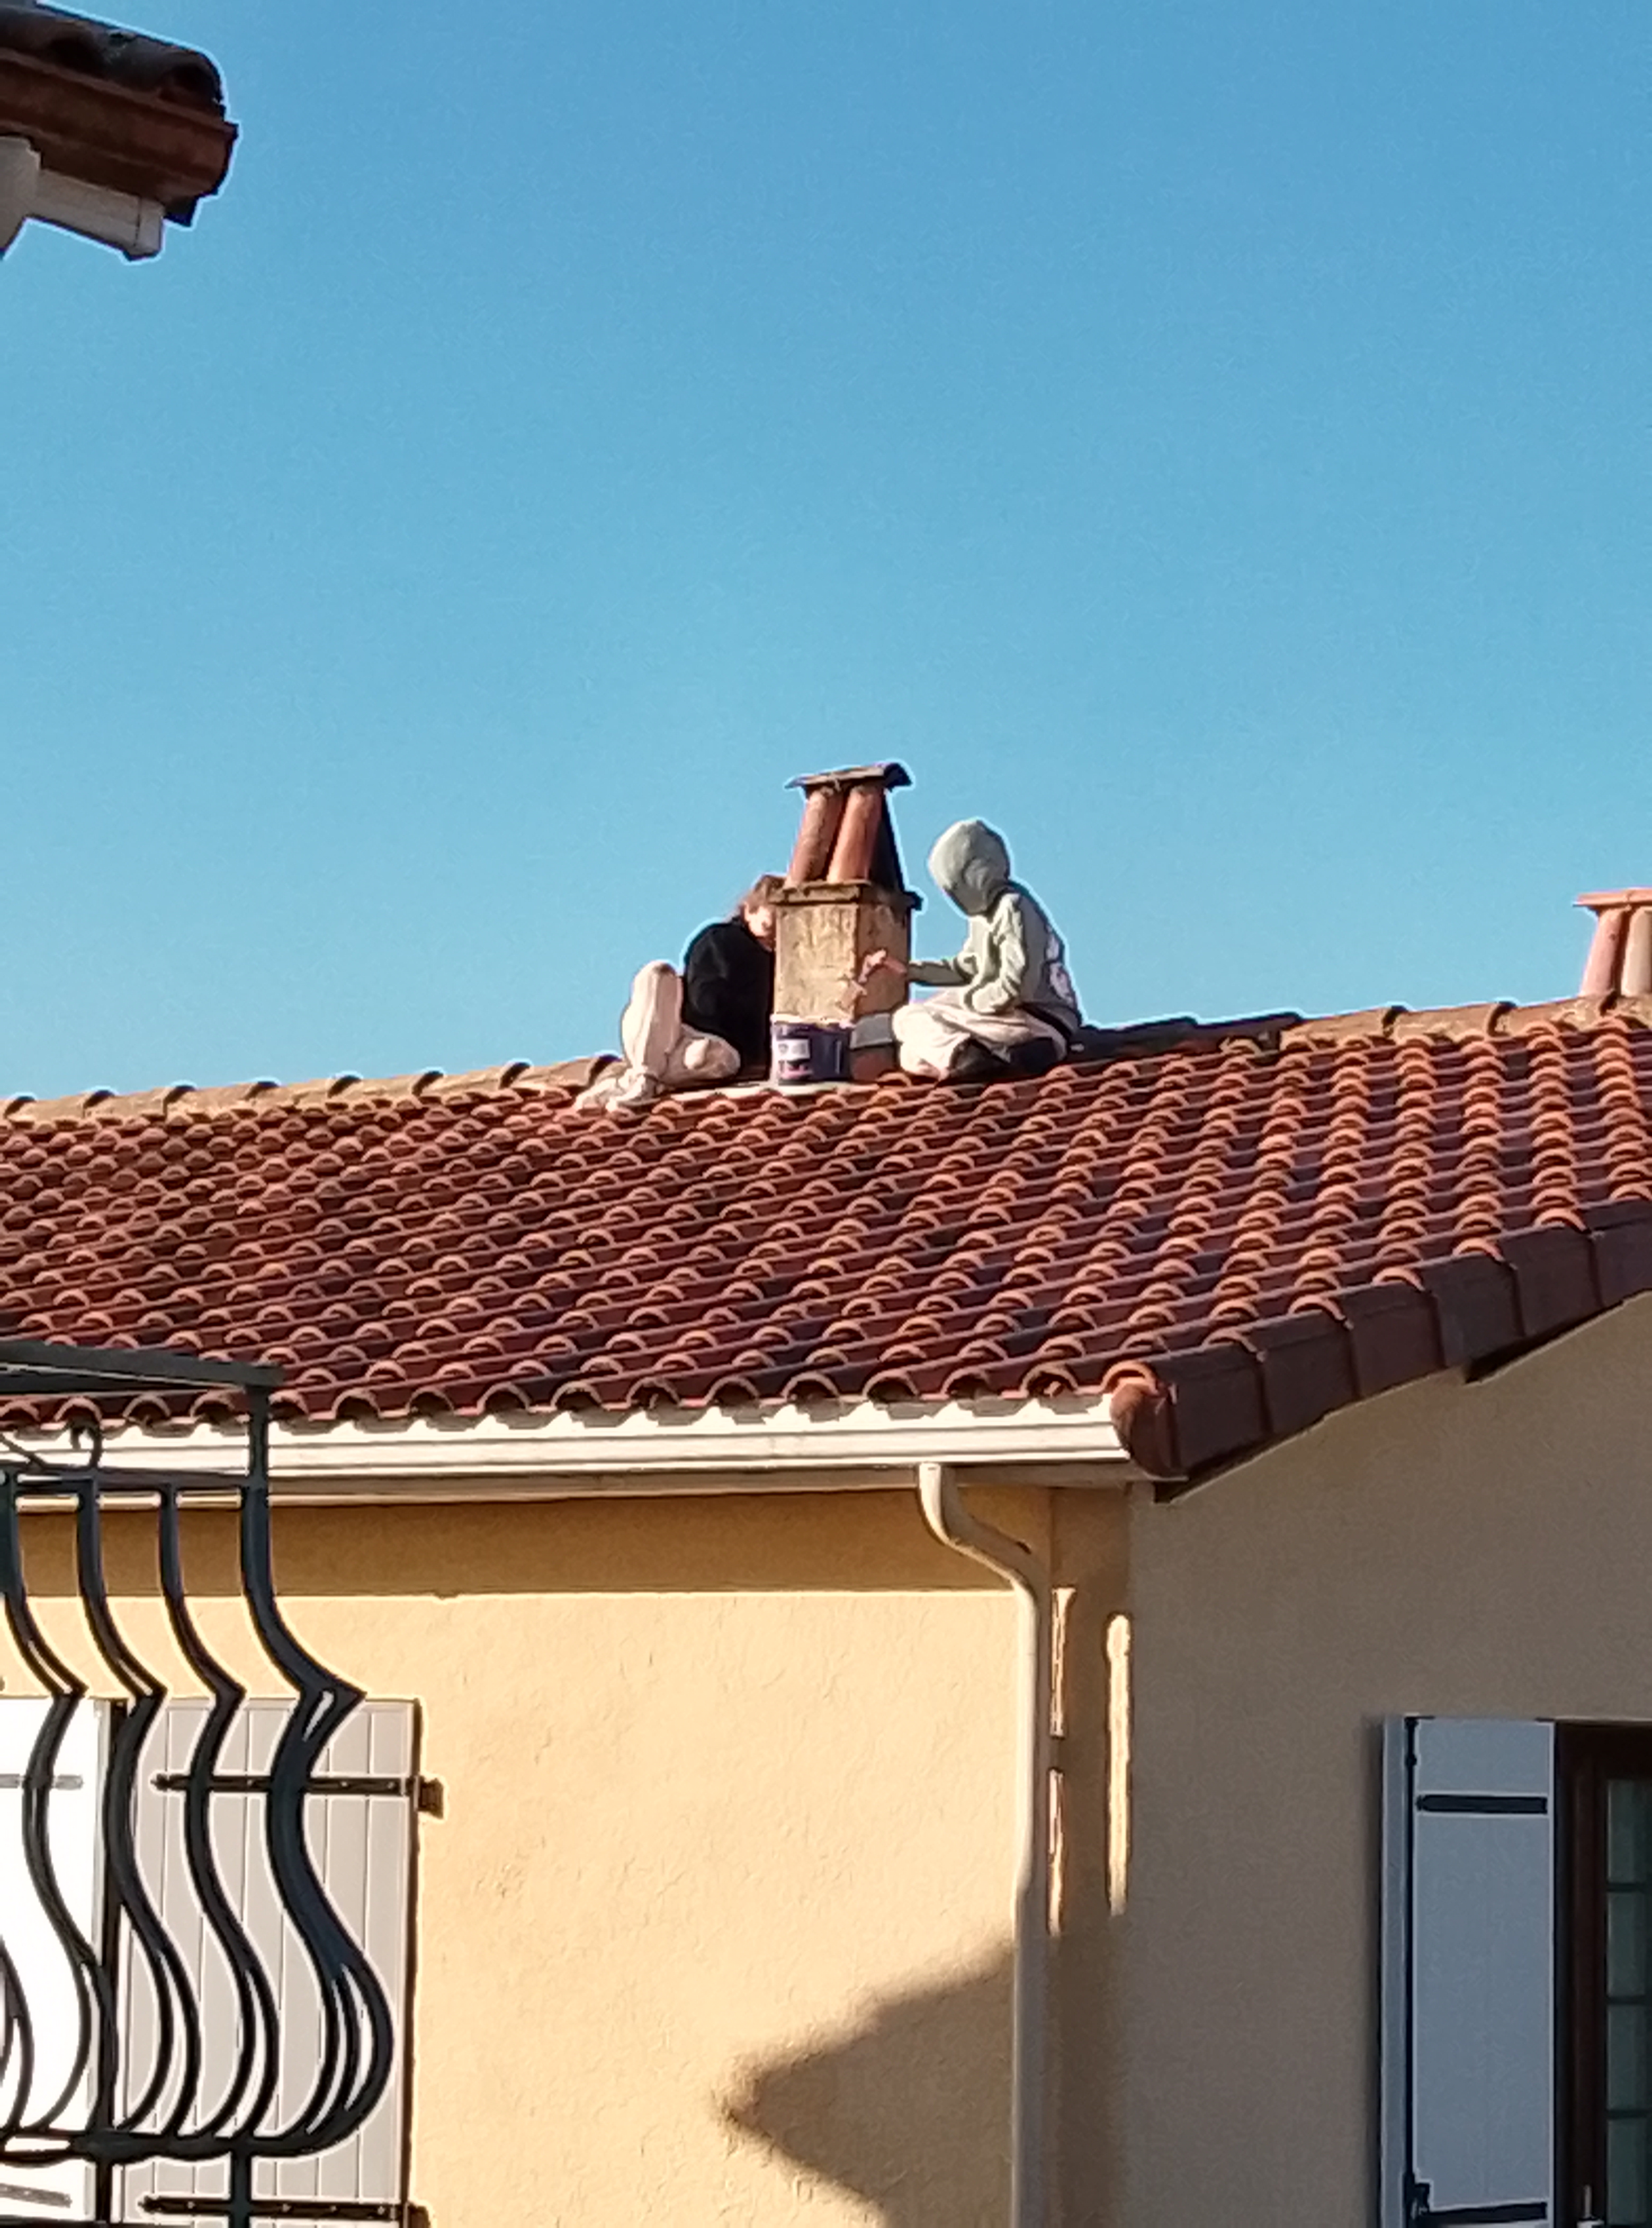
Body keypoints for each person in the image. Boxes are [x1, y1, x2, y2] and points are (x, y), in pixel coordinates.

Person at [877, 821, 1079, 1082]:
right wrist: (911, 971)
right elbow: (967, 968)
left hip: (1036, 1018)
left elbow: (1017, 985)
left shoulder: (1013, 907)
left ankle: (967, 1055)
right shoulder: (982, 917)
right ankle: (998, 1055)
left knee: (908, 1017)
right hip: (1006, 1018)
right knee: (911, 1054)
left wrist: (972, 1000)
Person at [577, 875, 784, 1112]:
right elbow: (705, 999)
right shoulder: (718, 940)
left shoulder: (780, 966)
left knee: (717, 1058)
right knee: (658, 974)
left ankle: (637, 1081)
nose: (771, 938)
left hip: (709, 1046)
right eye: (769, 926)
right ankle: (644, 1075)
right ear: (749, 911)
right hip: (677, 1030)